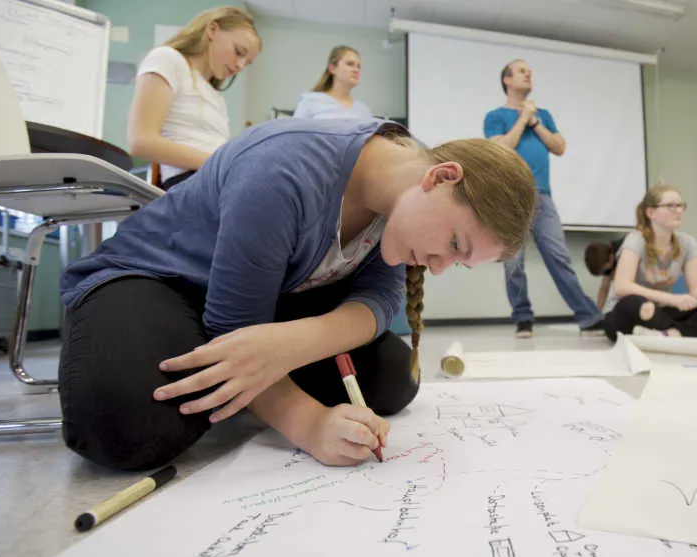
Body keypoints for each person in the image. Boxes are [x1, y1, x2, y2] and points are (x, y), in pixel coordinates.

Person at [58, 117, 536, 471]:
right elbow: (233, 325)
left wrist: (293, 343)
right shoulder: (282, 170)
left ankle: (246, 387)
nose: (439, 266)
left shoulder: (397, 198)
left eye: (458, 262)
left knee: (392, 378)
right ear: (441, 178)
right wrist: (307, 424)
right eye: (454, 245)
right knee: (126, 430)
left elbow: (379, 299)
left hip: (264, 303)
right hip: (160, 280)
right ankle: (179, 365)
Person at [484, 59, 604, 339]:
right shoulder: (495, 116)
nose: (529, 75)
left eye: (530, 72)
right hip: (510, 197)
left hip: (543, 197)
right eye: (522, 71)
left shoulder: (544, 115)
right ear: (507, 80)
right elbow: (501, 149)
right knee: (513, 262)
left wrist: (535, 121)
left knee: (559, 258)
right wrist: (523, 119)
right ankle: (523, 318)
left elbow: (559, 147)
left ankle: (588, 317)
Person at [127, 7, 261, 190]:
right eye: (238, 52)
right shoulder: (168, 59)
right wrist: (220, 163)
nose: (240, 66)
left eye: (247, 63)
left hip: (215, 180)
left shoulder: (216, 97)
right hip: (190, 182)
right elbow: (140, 142)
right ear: (212, 30)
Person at [604, 186, 697, 340]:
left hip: (662, 311)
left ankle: (670, 333)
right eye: (670, 206)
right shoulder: (636, 240)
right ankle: (695, 331)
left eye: (680, 205)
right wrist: (671, 299)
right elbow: (622, 287)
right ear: (651, 213)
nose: (678, 211)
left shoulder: (687, 243)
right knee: (642, 306)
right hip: (628, 312)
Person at [294, 45, 373, 121]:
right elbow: (293, 133)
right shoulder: (310, 101)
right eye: (350, 64)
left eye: (358, 66)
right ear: (332, 69)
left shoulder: (364, 111)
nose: (356, 70)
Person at [585, 237, 624, 311]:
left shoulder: (625, 249)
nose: (605, 273)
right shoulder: (606, 256)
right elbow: (604, 287)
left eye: (605, 270)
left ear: (611, 257)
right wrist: (597, 312)